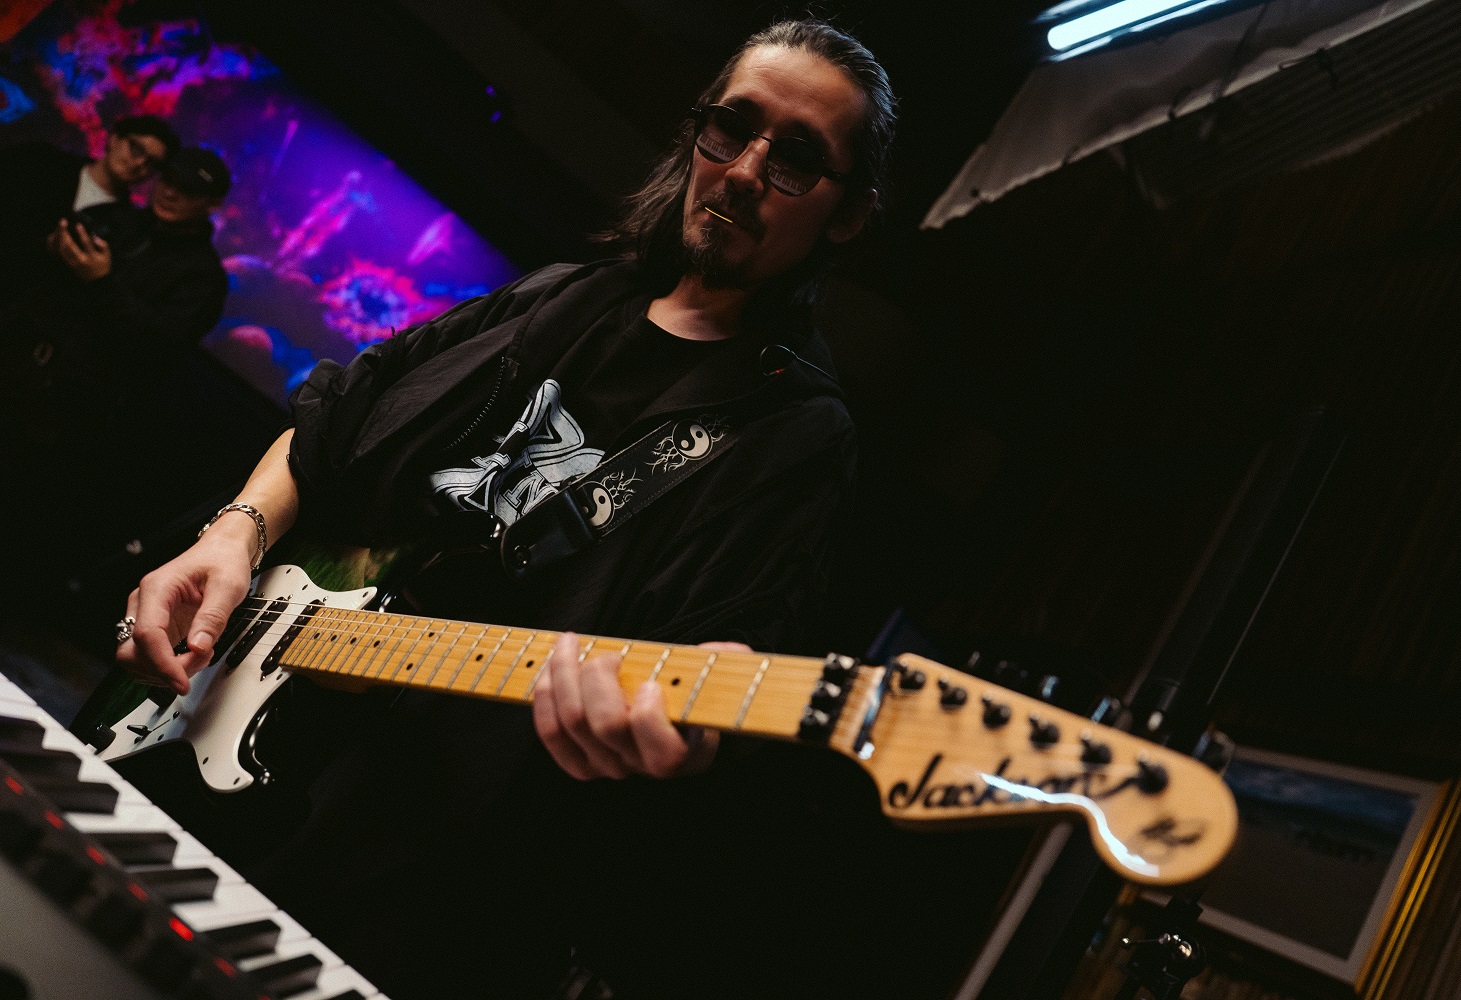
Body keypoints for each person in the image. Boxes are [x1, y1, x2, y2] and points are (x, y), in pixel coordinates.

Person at [117, 19, 898, 999]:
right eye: (731, 129)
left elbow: (724, 654)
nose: (743, 171)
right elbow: (334, 419)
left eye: (794, 161)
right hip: (224, 731)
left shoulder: (794, 430)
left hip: (411, 871)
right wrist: (235, 534)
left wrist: (689, 736)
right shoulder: (568, 295)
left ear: (847, 215)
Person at [0, 143, 232, 592]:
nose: (170, 193)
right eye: (168, 180)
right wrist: (51, 249)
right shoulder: (116, 219)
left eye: (187, 190)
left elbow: (155, 349)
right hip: (14, 359)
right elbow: (35, 280)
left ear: (210, 205)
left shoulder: (202, 277)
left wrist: (102, 283)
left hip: (57, 411)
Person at [0, 113, 179, 311]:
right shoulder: (42, 160)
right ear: (115, 138)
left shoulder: (127, 227)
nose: (139, 164)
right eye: (136, 149)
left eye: (152, 164)